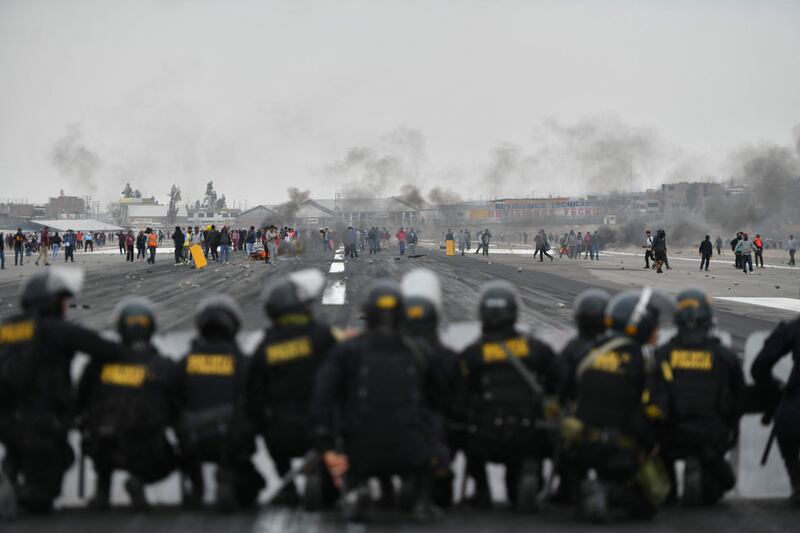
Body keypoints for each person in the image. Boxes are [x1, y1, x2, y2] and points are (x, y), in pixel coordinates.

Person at [311, 280, 446, 522]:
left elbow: (322, 398)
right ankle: (420, 494)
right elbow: (441, 400)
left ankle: (356, 488)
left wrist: (326, 446)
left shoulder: (347, 351)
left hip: (359, 451)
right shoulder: (420, 351)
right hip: (411, 450)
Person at [0, 269, 120, 516]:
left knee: (20, 450)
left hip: (6, 419)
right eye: (63, 300)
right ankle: (18, 497)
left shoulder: (7, 327)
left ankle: (11, 472)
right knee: (45, 487)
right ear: (52, 302)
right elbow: (105, 349)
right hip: (42, 419)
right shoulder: (53, 329)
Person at [563, 289, 670, 521]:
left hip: (577, 448)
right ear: (638, 326)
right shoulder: (644, 361)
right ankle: (609, 491)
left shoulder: (583, 351)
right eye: (653, 327)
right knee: (648, 508)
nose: (657, 332)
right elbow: (654, 410)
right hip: (622, 450)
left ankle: (575, 488)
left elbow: (561, 391)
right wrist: (651, 445)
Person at [458, 280, 560, 511]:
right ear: (514, 312)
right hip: (529, 434)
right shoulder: (537, 349)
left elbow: (459, 394)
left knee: (457, 428)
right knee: (551, 426)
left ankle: (482, 489)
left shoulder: (472, 354)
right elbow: (558, 384)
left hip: (483, 437)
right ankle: (529, 470)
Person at [246, 270, 338, 509]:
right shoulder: (322, 337)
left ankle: (287, 487)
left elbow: (253, 397)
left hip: (281, 432)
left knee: (269, 428)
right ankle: (326, 478)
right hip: (321, 428)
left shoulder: (265, 348)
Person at [76, 297, 178, 509]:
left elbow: (78, 401)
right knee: (176, 456)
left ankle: (102, 490)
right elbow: (176, 406)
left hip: (103, 445)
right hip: (145, 446)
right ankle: (138, 480)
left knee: (101, 431)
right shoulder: (161, 365)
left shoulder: (98, 365)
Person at [176, 294, 265, 510]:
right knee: (252, 487)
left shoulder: (185, 362)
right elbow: (257, 403)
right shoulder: (242, 362)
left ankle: (195, 486)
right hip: (232, 442)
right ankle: (226, 474)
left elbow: (172, 402)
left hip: (192, 442)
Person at [656, 289, 743, 505]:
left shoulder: (662, 354)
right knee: (718, 489)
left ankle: (670, 485)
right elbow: (738, 399)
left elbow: (652, 397)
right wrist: (729, 431)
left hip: (671, 436)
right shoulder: (726, 356)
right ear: (707, 319)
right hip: (711, 436)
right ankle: (705, 463)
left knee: (664, 496)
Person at [553, 289, 611, 505]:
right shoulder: (627, 351)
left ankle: (568, 487)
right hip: (622, 434)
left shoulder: (572, 351)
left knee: (554, 430)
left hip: (580, 432)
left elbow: (558, 388)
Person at [751, 313, 800, 504]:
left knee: (787, 422)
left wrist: (777, 390)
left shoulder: (794, 329)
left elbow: (760, 367)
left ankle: (797, 480)